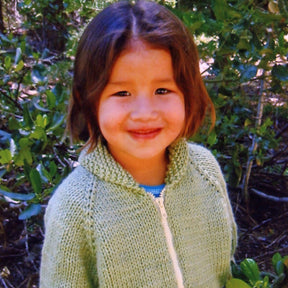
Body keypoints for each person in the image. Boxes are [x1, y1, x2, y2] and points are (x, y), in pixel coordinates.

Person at [40, 1, 237, 287]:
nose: (145, 113)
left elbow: (225, 269)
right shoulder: (74, 208)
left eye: (162, 90)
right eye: (122, 92)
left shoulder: (206, 171)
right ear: (88, 101)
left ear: (187, 92)